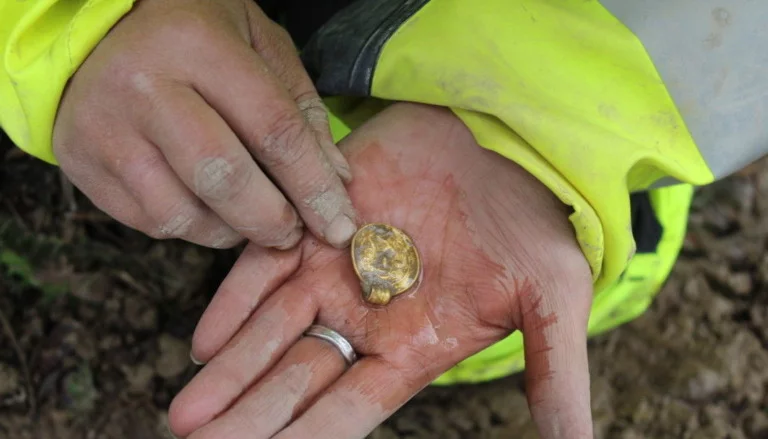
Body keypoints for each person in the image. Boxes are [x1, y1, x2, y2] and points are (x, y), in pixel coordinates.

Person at [1, 0, 765, 438]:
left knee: (511, 306)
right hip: (213, 87)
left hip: (601, 113)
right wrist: (64, 28)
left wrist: (557, 139)